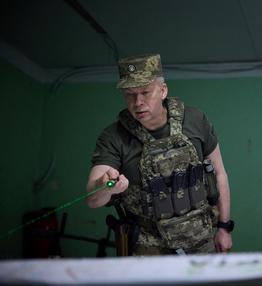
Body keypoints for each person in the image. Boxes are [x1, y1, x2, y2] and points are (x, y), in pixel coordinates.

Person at [86, 54, 233, 255]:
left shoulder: (195, 119)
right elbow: (92, 199)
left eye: (145, 92)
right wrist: (106, 186)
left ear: (163, 91)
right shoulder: (113, 136)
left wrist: (224, 228)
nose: (138, 102)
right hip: (148, 249)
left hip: (201, 239)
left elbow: (219, 174)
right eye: (130, 94)